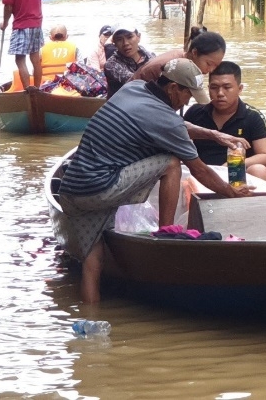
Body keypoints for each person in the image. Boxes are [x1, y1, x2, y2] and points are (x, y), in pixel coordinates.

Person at [55, 58, 254, 304]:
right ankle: (166, 234)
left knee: (92, 263)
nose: (188, 101)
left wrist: (213, 134)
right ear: (173, 89)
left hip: (73, 191)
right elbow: (199, 170)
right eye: (187, 95)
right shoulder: (165, 119)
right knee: (171, 161)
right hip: (102, 188)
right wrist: (230, 192)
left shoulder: (133, 88)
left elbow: (177, 125)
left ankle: (91, 326)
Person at [183, 61, 266, 181]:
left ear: (239, 89)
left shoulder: (253, 116)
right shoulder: (195, 113)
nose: (220, 93)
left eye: (227, 87)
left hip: (237, 174)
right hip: (202, 174)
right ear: (208, 88)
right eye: (214, 88)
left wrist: (231, 165)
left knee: (259, 170)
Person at [0, 0, 44, 90]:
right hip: (37, 23)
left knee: (20, 59)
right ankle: (37, 89)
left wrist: (5, 23)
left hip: (21, 25)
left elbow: (8, 6)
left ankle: (27, 90)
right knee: (35, 59)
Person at [103, 27, 154, 97]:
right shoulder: (111, 65)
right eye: (119, 39)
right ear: (114, 44)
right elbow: (136, 82)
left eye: (129, 37)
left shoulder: (150, 56)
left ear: (138, 37)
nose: (125, 43)